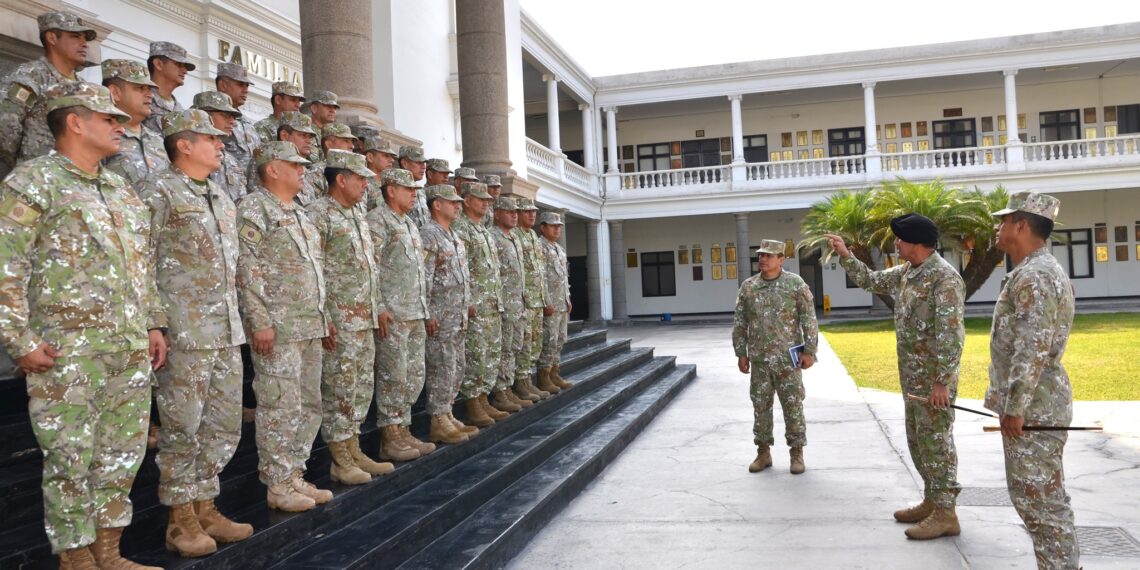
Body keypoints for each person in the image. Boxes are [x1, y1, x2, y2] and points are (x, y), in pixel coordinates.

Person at [0, 82, 165, 570]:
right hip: (67, 352)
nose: (120, 126)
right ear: (74, 122)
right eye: (108, 118)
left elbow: (142, 265)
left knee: (121, 456)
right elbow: (7, 265)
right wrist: (19, 339)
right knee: (70, 458)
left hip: (127, 348)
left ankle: (109, 553)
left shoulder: (119, 189)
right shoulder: (33, 182)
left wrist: (153, 323)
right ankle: (76, 559)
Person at [136, 109, 251, 558]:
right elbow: (141, 258)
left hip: (225, 329)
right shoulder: (157, 190)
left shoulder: (219, 194)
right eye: (210, 138)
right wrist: (153, 321)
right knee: (183, 427)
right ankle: (180, 517)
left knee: (223, 425)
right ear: (184, 145)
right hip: (184, 330)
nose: (220, 144)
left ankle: (206, 504)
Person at [826, 213, 965, 540]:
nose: (896, 244)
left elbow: (951, 335)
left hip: (933, 383)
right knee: (918, 442)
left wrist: (942, 382)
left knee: (937, 443)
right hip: (913, 379)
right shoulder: (907, 272)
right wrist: (845, 255)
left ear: (917, 243)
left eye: (901, 239)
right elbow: (872, 281)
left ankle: (946, 513)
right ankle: (932, 501)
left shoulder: (944, 278)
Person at [236, 140, 332, 512]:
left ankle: (294, 473)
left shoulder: (300, 214)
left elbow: (314, 271)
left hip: (308, 325)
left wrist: (324, 317)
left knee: (308, 404)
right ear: (272, 169)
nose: (302, 170)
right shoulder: (254, 208)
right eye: (294, 165)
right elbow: (246, 267)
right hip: (279, 328)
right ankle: (277, 483)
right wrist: (259, 320)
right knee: (279, 405)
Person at [987, 191, 1079, 570]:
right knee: (1041, 500)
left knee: (1041, 504)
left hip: (1035, 411)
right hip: (1037, 407)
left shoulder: (1035, 277)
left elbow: (1032, 348)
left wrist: (1015, 408)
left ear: (1022, 226)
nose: (998, 227)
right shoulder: (1035, 271)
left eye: (1005, 221)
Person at [305, 150, 394, 484]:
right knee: (339, 387)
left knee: (360, 387)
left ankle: (354, 448)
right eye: (359, 179)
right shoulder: (318, 214)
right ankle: (340, 458)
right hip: (339, 320)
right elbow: (313, 269)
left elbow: (370, 268)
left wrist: (378, 306)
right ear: (340, 179)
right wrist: (324, 315)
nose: (365, 185)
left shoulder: (357, 214)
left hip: (363, 317)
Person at [732, 239, 818, 475]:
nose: (763, 258)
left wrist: (810, 351)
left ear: (781, 259)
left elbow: (809, 319)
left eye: (768, 255)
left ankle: (796, 453)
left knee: (793, 406)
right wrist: (741, 352)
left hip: (788, 361)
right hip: (760, 361)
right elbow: (740, 322)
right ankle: (763, 453)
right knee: (760, 406)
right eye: (761, 254)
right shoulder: (749, 287)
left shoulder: (795, 284)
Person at [367, 168, 435, 461]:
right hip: (393, 315)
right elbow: (370, 267)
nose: (414, 195)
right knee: (393, 375)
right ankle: (390, 436)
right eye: (408, 189)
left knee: (413, 375)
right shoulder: (377, 220)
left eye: (415, 190)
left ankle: (404, 429)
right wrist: (379, 306)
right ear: (391, 190)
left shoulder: (409, 224)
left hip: (414, 311)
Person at [0, 11, 96, 178]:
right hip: (36, 178)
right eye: (75, 37)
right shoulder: (31, 76)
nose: (84, 44)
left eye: (85, 38)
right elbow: (5, 125)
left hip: (76, 180)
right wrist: (25, 162)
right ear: (52, 38)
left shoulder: (86, 88)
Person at [420, 184, 478, 443]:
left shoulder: (453, 235)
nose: (457, 206)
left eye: (458, 202)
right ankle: (438, 419)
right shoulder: (428, 235)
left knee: (456, 365)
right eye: (451, 202)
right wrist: (428, 313)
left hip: (457, 314)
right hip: (440, 316)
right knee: (441, 366)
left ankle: (447, 412)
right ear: (436, 204)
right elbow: (425, 278)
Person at [452, 182, 506, 426]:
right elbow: (460, 268)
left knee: (490, 353)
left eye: (487, 200)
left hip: (491, 303)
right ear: (466, 201)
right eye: (480, 199)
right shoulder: (461, 228)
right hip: (475, 305)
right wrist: (468, 300)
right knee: (475, 354)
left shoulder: (483, 230)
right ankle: (473, 403)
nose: (486, 203)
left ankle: (484, 398)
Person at [490, 196, 531, 413]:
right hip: (504, 304)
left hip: (518, 302)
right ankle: (500, 392)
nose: (515, 215)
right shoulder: (493, 237)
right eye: (509, 212)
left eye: (516, 212)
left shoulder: (514, 237)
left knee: (514, 348)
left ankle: (509, 387)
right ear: (497, 214)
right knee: (504, 348)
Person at [101, 59, 169, 186]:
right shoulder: (101, 137)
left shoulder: (158, 140)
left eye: (149, 89)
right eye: (140, 88)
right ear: (114, 92)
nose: (150, 95)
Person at [513, 198, 553, 401]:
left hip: (537, 300)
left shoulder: (533, 237)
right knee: (524, 343)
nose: (531, 215)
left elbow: (540, 271)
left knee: (535, 343)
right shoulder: (515, 236)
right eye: (526, 211)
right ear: (518, 213)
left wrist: (545, 298)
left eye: (533, 212)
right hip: (524, 301)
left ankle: (528, 381)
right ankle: (521, 383)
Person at [536, 212, 573, 392]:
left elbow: (564, 277)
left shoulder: (559, 249)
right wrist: (546, 301)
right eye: (552, 226)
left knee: (560, 339)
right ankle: (544, 377)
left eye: (558, 226)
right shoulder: (539, 247)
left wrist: (567, 297)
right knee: (549, 340)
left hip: (561, 303)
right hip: (550, 304)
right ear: (542, 227)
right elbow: (540, 277)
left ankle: (554, 373)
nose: (557, 229)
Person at [192, 91, 246, 202]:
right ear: (203, 114)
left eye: (233, 117)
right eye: (226, 115)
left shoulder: (234, 163)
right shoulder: (189, 156)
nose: (233, 122)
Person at [143, 41, 195, 133]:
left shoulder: (181, 110)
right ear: (159, 64)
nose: (185, 71)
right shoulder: (140, 101)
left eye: (185, 66)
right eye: (179, 64)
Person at [306, 123, 357, 194]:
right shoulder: (316, 172)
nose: (352, 146)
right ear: (329, 144)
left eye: (352, 142)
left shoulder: (355, 171)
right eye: (346, 141)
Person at [362, 135, 399, 211]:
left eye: (391, 156)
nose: (392, 160)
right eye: (386, 156)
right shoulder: (363, 183)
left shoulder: (391, 184)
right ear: (370, 157)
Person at [303, 90, 339, 162]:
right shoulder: (305, 131)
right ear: (314, 108)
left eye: (334, 107)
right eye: (328, 106)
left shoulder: (333, 133)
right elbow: (313, 162)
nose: (332, 110)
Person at [398, 145, 429, 227]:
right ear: (404, 163)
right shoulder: (397, 190)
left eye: (424, 163)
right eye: (418, 162)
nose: (424, 167)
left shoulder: (421, 191)